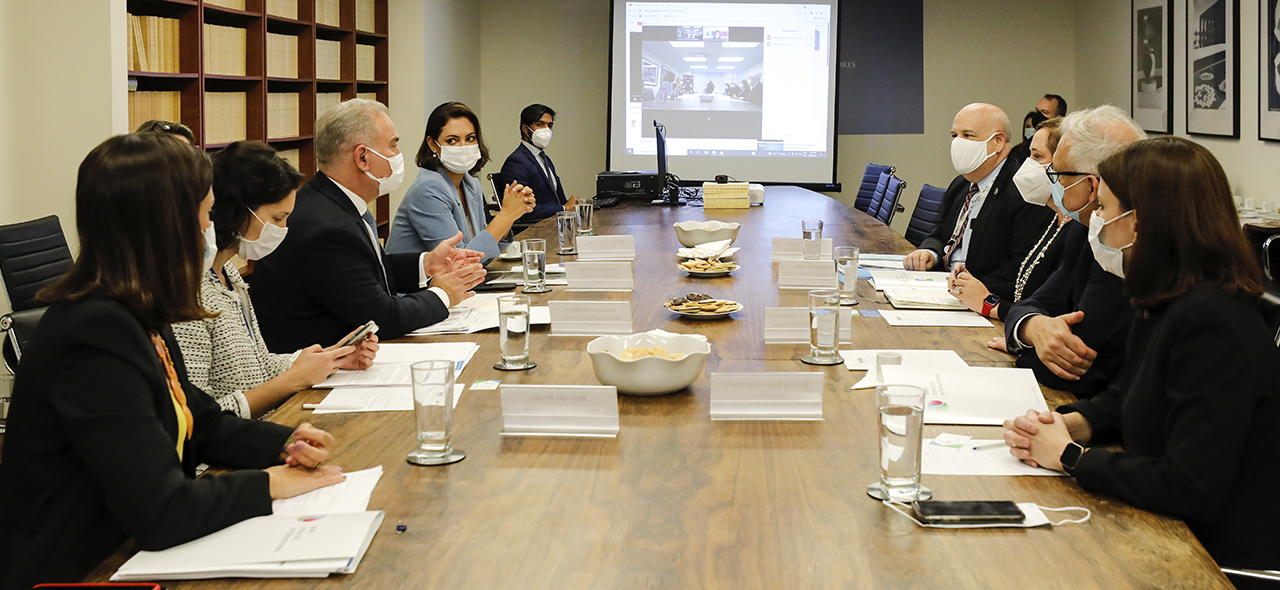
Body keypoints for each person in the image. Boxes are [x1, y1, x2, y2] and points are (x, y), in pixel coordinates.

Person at [0, 133, 346, 589]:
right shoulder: (94, 334)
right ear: (166, 225)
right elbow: (162, 511)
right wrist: (268, 484)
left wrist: (284, 443)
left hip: (122, 550)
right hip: (78, 569)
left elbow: (198, 420)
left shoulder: (139, 310)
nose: (210, 228)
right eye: (205, 214)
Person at [1003, 136, 1279, 576]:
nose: (1096, 220)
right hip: (1169, 529)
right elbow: (1130, 394)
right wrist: (1071, 423)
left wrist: (1071, 457)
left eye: (1103, 208)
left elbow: (1189, 485)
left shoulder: (1211, 321)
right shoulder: (1167, 299)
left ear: (1139, 223)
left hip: (1219, 562)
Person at [252, 98, 487, 353]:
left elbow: (365, 273)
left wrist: (427, 264)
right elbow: (382, 319)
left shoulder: (332, 202)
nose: (398, 155)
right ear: (363, 157)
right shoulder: (327, 228)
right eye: (393, 145)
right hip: (318, 370)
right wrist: (443, 294)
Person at [173, 141, 379, 419]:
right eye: (278, 218)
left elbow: (258, 367)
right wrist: (293, 380)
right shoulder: (187, 294)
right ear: (238, 211)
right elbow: (197, 418)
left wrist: (331, 359)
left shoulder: (229, 274)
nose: (284, 229)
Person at [998, 105, 1144, 397]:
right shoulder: (1082, 228)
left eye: (1057, 175)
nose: (1052, 181)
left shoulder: (1126, 248)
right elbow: (1034, 303)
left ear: (1091, 186)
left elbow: (1079, 365)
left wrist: (1026, 349)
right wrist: (1033, 327)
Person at [903, 103, 1054, 308]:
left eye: (968, 135)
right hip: (941, 285)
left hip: (982, 298)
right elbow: (939, 233)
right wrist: (930, 252)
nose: (958, 143)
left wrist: (969, 287)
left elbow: (1021, 265)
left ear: (998, 142)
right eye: (954, 135)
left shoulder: (1023, 191)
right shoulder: (961, 184)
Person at [948, 117, 1070, 320]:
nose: (1028, 164)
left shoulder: (1076, 228)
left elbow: (1049, 305)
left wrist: (987, 300)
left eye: (1037, 156)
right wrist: (969, 283)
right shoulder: (1053, 220)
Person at [387, 102, 536, 261]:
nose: (463, 146)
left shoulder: (471, 184)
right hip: (418, 278)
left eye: (470, 138)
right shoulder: (428, 189)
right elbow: (459, 261)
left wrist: (513, 212)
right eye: (452, 141)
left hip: (461, 275)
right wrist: (505, 214)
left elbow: (484, 247)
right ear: (432, 144)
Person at [499, 103, 579, 224]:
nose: (546, 130)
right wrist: (563, 209)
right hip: (534, 229)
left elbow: (559, 200)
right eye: (540, 124)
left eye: (549, 125)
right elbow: (521, 209)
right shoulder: (516, 161)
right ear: (525, 129)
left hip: (556, 225)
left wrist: (575, 206)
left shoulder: (545, 159)